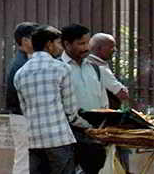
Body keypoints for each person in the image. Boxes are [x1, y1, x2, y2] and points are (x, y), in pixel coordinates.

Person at [14, 25, 91, 174]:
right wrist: (87, 125)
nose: (61, 48)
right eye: (58, 43)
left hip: (34, 140)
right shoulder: (61, 68)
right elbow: (70, 112)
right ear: (49, 45)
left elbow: (25, 110)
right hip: (59, 139)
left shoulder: (20, 73)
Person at [59, 24, 106, 174]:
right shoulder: (58, 69)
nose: (86, 48)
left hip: (94, 136)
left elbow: (104, 102)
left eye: (87, 43)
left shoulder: (95, 68)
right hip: (69, 136)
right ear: (67, 44)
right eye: (81, 43)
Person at [87, 33, 129, 174]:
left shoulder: (86, 64)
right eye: (111, 47)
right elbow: (122, 93)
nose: (114, 50)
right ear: (99, 49)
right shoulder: (100, 68)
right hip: (104, 121)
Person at [6, 22, 39, 174]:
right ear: (25, 41)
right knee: (24, 161)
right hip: (23, 117)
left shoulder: (26, 60)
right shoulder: (22, 64)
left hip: (23, 117)